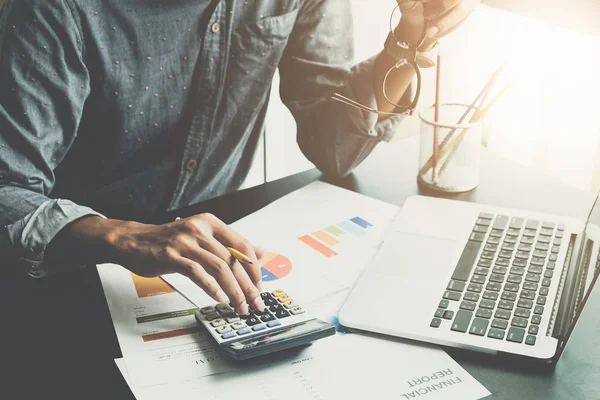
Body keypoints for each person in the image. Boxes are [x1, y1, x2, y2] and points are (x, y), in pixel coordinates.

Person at [0, 0, 478, 314]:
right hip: (72, 273)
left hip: (218, 267)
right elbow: (9, 188)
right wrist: (122, 234)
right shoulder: (55, 10)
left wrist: (408, 42)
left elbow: (335, 148)